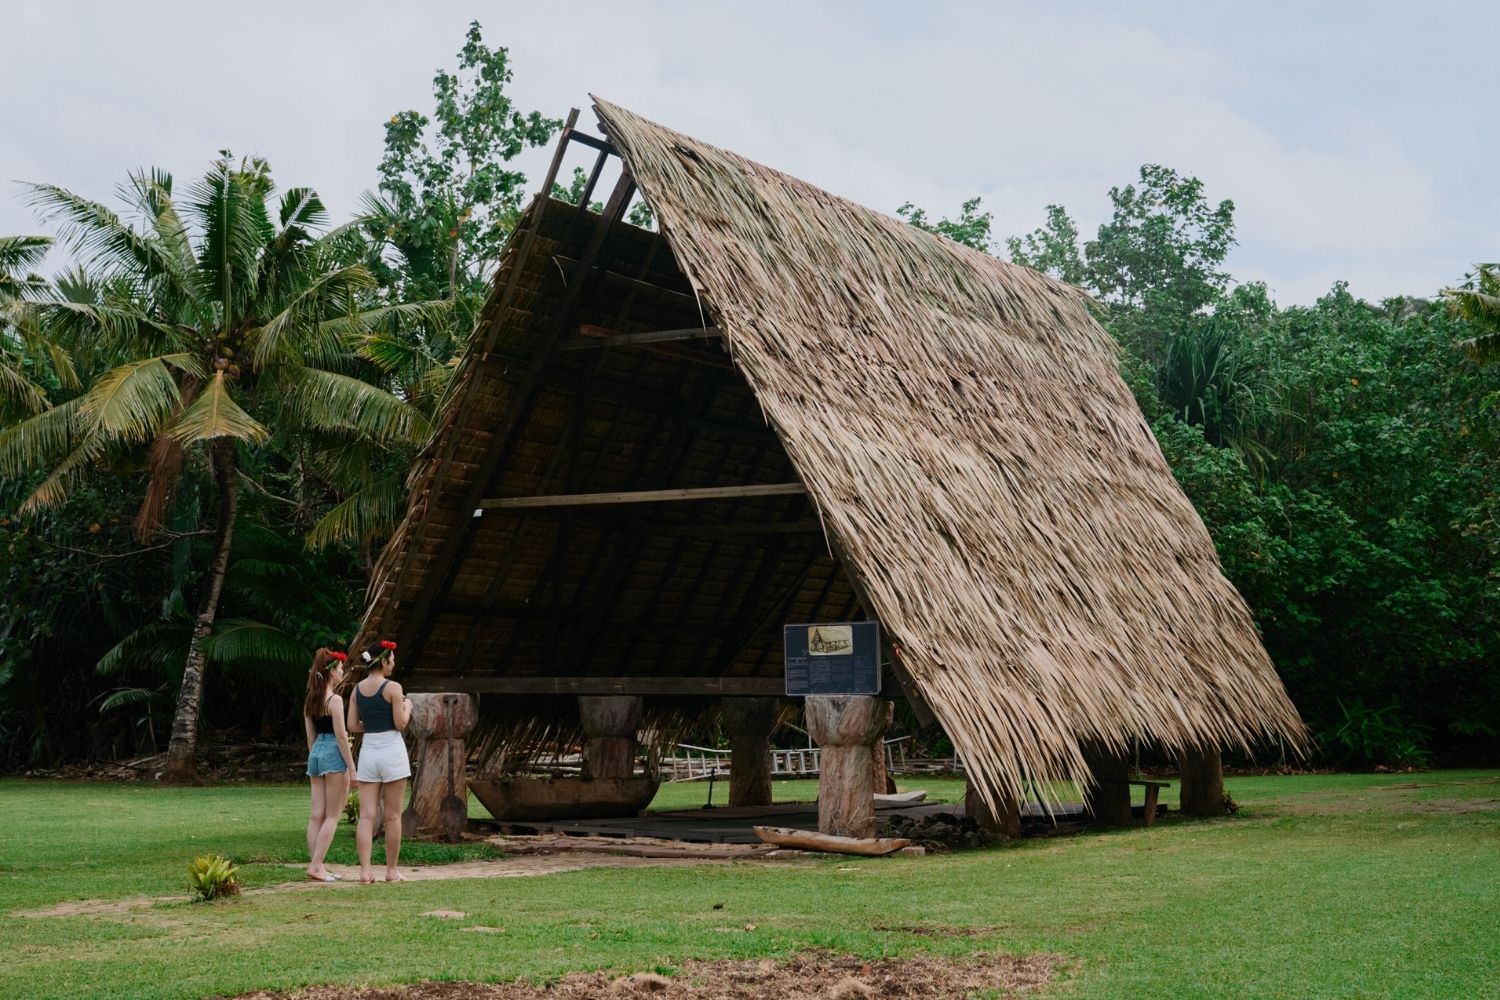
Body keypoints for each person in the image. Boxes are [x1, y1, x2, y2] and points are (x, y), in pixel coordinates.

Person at [348, 639, 412, 883]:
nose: (393, 664)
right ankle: (391, 870)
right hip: (392, 751)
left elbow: (352, 725)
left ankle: (365, 871)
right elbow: (401, 723)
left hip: (369, 752)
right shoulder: (393, 688)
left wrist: (372, 724)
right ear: (384, 661)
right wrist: (408, 706)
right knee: (393, 816)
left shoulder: (356, 690)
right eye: (392, 660)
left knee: (366, 815)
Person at [303, 648, 356, 883]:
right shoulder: (334, 700)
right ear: (332, 671)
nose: (342, 671)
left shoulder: (310, 699)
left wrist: (315, 755)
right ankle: (316, 866)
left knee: (317, 815)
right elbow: (341, 736)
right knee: (333, 815)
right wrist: (352, 768)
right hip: (333, 752)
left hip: (315, 753)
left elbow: (310, 737)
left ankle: (318, 865)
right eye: (340, 668)